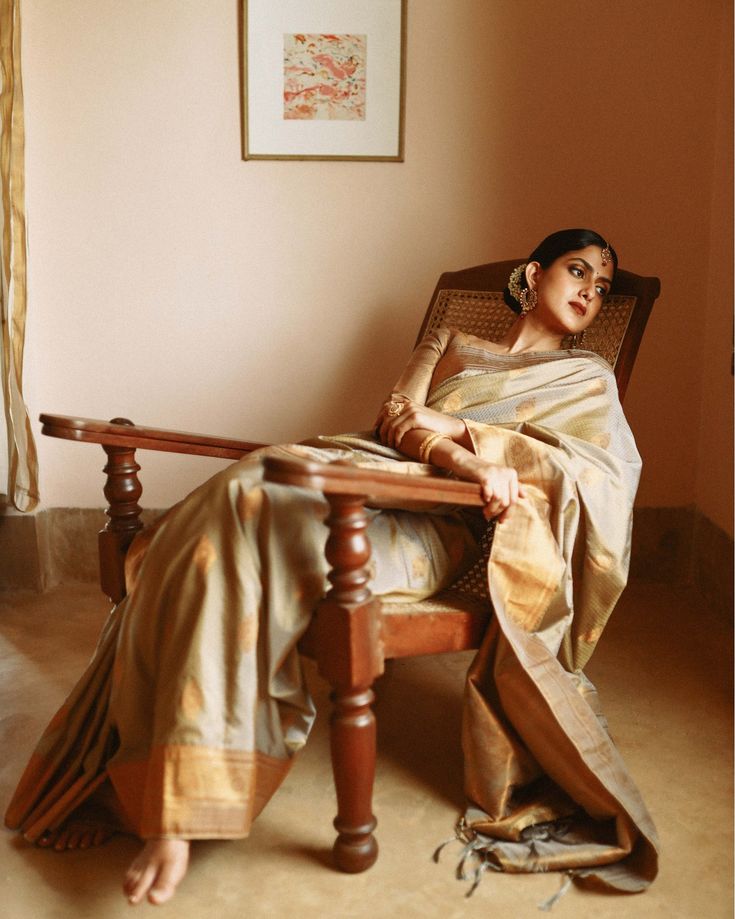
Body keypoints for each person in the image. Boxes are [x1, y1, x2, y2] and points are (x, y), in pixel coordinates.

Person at [5, 229, 658, 905]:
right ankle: (166, 789)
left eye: (602, 287)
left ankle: (174, 809)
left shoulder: (587, 378)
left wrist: (462, 453)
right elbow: (396, 416)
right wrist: (465, 452)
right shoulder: (451, 340)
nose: (589, 291)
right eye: (577, 270)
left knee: (239, 513)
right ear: (533, 272)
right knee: (209, 536)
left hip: (434, 521)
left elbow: (598, 477)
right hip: (359, 473)